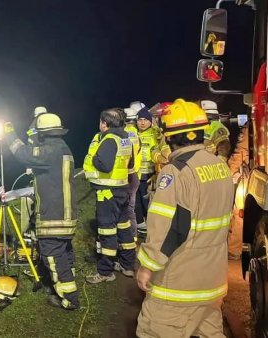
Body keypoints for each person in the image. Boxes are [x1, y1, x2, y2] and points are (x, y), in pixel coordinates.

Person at [136, 99, 233, 337]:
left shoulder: (176, 172)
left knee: (153, 331)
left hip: (179, 285)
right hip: (212, 282)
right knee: (210, 332)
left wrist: (148, 266)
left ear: (169, 137)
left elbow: (167, 227)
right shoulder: (220, 167)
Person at [4, 112, 79, 310]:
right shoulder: (62, 147)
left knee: (53, 256)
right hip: (66, 212)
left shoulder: (49, 151)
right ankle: (68, 284)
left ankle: (70, 298)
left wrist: (10, 135)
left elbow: (23, 154)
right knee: (64, 253)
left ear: (43, 134)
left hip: (53, 215)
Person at [84, 108, 135, 283]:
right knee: (124, 228)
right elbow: (132, 163)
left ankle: (105, 272)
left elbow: (104, 165)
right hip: (122, 190)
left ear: (104, 124)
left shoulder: (108, 139)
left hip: (107, 193)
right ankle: (128, 266)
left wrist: (93, 159)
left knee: (107, 231)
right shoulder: (126, 138)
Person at [227, 122, 249, 260]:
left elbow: (242, 150)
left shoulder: (250, 126)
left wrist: (229, 173)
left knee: (239, 212)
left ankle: (234, 250)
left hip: (253, 174)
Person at [123, 107, 142, 241]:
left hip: (127, 175)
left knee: (127, 210)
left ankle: (130, 238)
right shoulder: (136, 133)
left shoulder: (124, 134)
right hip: (135, 174)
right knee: (131, 208)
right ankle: (133, 237)